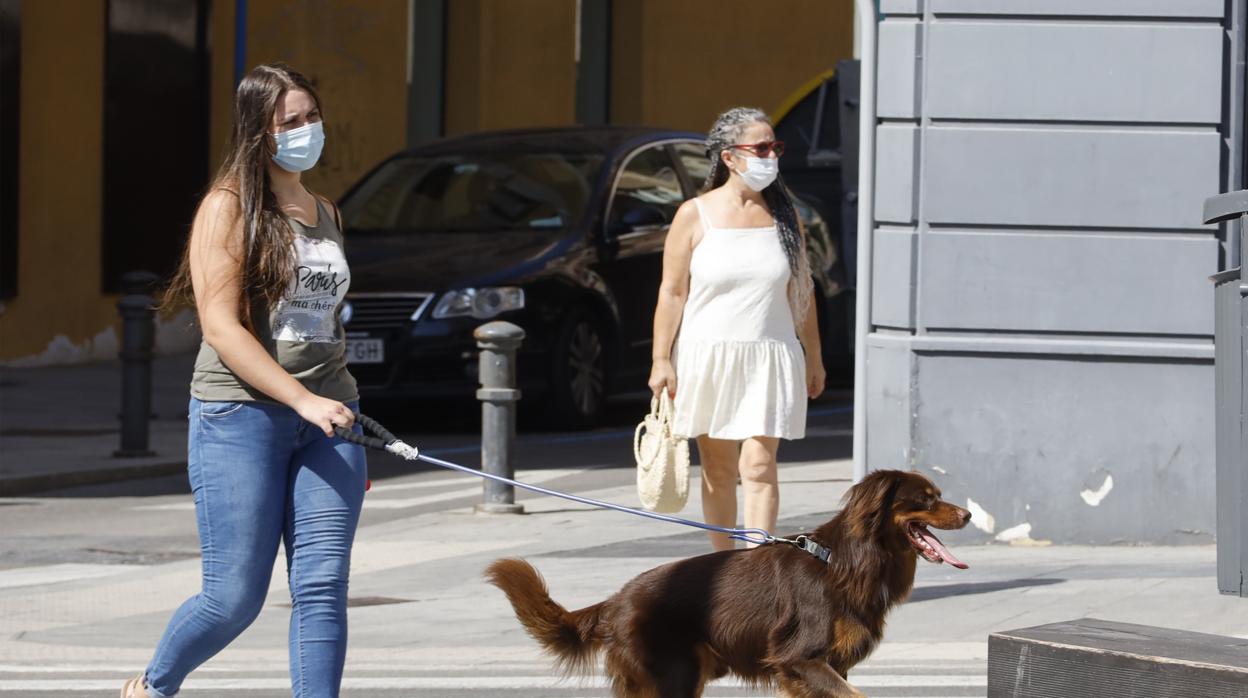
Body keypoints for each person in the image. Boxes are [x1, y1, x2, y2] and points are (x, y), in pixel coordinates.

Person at [123, 63, 365, 698]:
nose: (306, 130)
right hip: (240, 416)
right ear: (258, 132)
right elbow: (224, 330)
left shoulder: (326, 212)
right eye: (291, 122)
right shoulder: (227, 208)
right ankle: (151, 687)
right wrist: (301, 399)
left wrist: (326, 400)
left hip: (330, 418)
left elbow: (321, 323)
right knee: (233, 596)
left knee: (321, 587)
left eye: (312, 117)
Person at [648, 106, 825, 552]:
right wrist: (661, 360)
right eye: (760, 148)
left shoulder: (787, 218)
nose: (771, 156)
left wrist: (814, 357)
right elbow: (671, 293)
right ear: (729, 157)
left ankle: (757, 567)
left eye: (775, 147)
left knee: (761, 466)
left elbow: (801, 296)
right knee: (719, 470)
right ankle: (723, 565)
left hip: (770, 354)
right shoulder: (695, 215)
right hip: (708, 356)